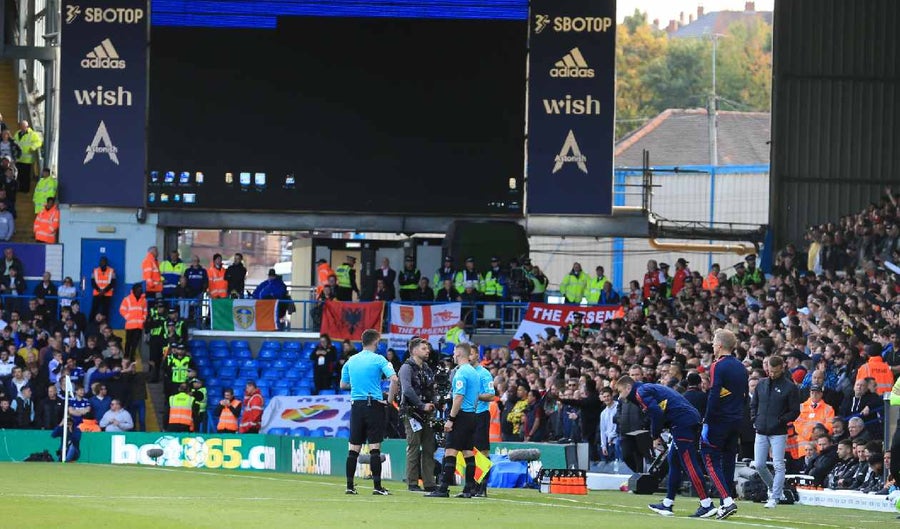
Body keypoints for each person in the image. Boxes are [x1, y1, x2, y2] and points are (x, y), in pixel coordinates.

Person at [616, 375, 718, 519]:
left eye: (620, 391)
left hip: (682, 423)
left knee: (689, 464)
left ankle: (707, 504)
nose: (619, 396)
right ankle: (667, 503)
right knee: (674, 462)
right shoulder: (645, 389)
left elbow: (656, 412)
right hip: (685, 420)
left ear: (628, 388)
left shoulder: (640, 392)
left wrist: (655, 436)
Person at [340, 329, 398, 496]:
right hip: (374, 405)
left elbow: (343, 385)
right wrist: (389, 400)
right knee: (374, 448)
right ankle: (377, 487)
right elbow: (394, 379)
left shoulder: (351, 360)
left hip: (356, 405)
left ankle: (349, 487)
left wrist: (359, 386)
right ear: (376, 342)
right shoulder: (379, 359)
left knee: (353, 448)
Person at [700, 329, 747, 519]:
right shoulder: (741, 367)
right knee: (728, 461)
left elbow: (714, 394)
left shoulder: (717, 366)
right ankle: (724, 502)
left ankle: (727, 501)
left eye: (713, 342)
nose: (712, 345)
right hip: (736, 419)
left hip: (719, 420)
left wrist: (707, 420)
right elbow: (744, 395)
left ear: (719, 345)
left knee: (710, 459)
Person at [426, 343, 480, 498]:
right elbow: (476, 396)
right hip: (471, 414)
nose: (453, 356)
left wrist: (451, 418)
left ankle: (443, 488)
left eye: (455, 353)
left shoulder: (461, 373)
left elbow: (458, 397)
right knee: (468, 452)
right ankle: (468, 489)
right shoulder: (474, 372)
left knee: (450, 451)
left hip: (461, 415)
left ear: (459, 354)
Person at [751, 355, 800, 508]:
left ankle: (775, 497)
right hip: (761, 430)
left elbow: (795, 411)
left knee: (778, 464)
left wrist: (781, 420)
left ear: (782, 368)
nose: (772, 374)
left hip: (778, 431)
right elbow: (754, 404)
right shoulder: (761, 384)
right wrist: (755, 419)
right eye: (770, 371)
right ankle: (774, 489)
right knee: (759, 464)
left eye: (775, 372)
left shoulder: (790, 387)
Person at [398, 337, 436, 492]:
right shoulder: (406, 368)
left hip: (427, 412)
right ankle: (412, 482)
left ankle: (429, 482)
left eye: (428, 348)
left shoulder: (426, 368)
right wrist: (421, 405)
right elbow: (407, 390)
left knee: (429, 447)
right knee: (414, 447)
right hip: (412, 412)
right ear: (414, 350)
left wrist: (434, 402)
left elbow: (431, 388)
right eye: (423, 348)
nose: (428, 351)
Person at [470, 344, 496, 497]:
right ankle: (472, 485)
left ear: (477, 356)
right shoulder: (464, 372)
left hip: (480, 414)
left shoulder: (484, 374)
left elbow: (491, 395)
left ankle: (482, 487)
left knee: (482, 451)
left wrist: (475, 396)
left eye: (471, 354)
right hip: (467, 415)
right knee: (469, 451)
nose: (469, 357)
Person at [795, 384, 835, 457]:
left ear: (821, 394)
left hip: (820, 443)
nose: (814, 395)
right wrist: (810, 435)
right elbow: (797, 424)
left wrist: (820, 434)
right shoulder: (801, 407)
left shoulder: (828, 409)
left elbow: (830, 425)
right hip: (804, 445)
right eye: (812, 393)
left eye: (817, 393)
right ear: (809, 393)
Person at [119, 283, 147, 361]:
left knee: (135, 342)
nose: (139, 291)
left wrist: (143, 319)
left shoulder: (144, 300)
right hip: (130, 325)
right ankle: (126, 355)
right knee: (128, 341)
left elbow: (145, 311)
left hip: (139, 325)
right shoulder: (127, 299)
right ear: (134, 290)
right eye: (138, 289)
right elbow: (122, 309)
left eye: (140, 289)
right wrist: (128, 317)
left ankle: (132, 356)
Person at [14, 120, 40, 192]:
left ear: (27, 126)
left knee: (26, 176)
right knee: (19, 175)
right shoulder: (17, 133)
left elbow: (39, 142)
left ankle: (25, 189)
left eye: (24, 126)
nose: (22, 128)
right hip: (19, 158)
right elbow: (14, 142)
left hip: (27, 160)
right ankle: (20, 188)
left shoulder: (32, 134)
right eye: (21, 126)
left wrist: (33, 147)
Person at [89, 256, 115, 321]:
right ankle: (90, 324)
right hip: (97, 294)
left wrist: (104, 291)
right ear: (99, 263)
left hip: (107, 295)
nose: (102, 263)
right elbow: (92, 282)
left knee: (105, 311)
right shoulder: (94, 271)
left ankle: (105, 325)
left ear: (106, 263)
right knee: (94, 310)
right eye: (101, 262)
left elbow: (113, 283)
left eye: (104, 262)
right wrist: (99, 291)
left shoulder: (112, 271)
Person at [598, 386, 619, 463]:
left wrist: (612, 435)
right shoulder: (603, 413)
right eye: (604, 397)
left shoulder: (618, 406)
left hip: (618, 441)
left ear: (612, 396)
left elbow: (619, 425)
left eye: (608, 396)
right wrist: (603, 446)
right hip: (610, 444)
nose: (606, 398)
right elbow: (603, 430)